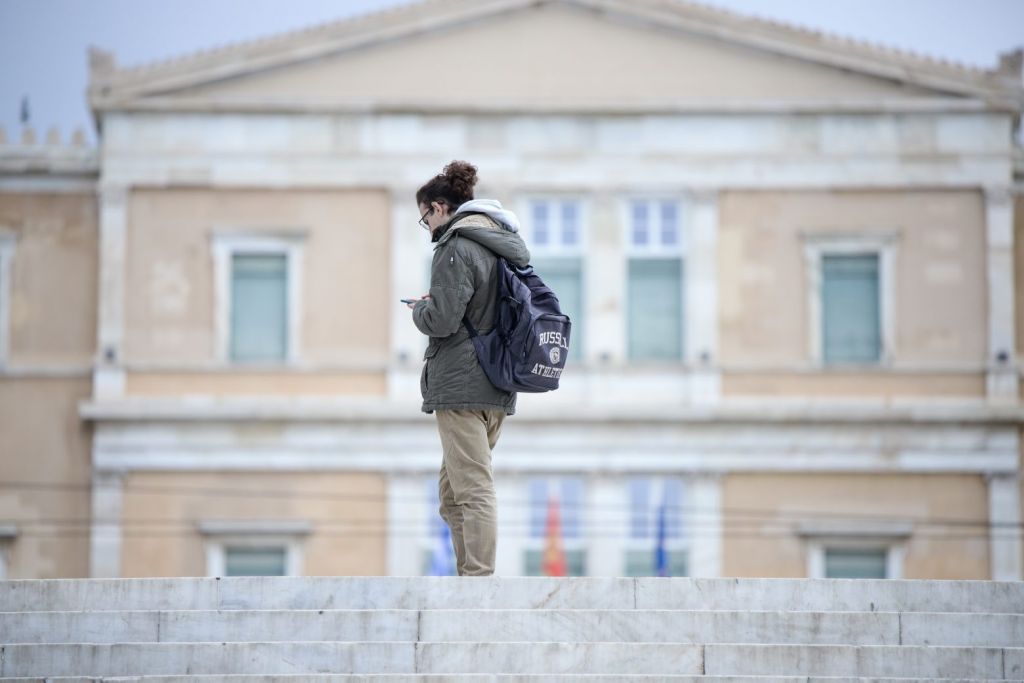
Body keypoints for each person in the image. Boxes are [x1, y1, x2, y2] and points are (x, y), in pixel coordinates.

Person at [406, 160, 530, 576]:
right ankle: (469, 573)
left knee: (472, 488)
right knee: (450, 493)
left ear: (439, 208)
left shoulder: (457, 246)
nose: (427, 228)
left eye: (425, 218)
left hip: (462, 384)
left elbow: (442, 321)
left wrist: (421, 310)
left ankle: (477, 580)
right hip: (496, 383)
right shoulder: (499, 242)